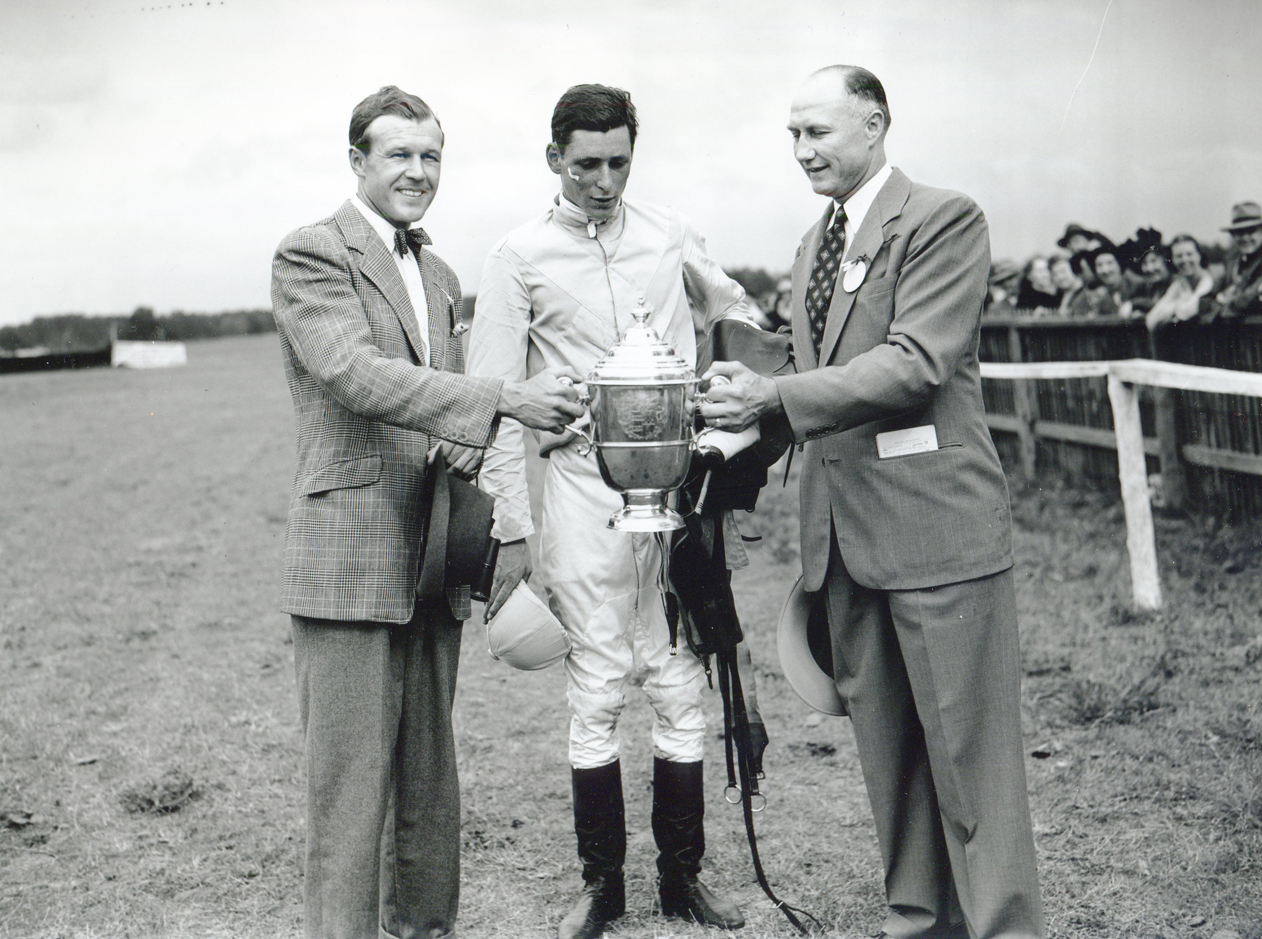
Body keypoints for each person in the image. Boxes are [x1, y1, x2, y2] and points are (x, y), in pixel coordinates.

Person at [702, 65, 1043, 939]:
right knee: (890, 763)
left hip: (935, 532)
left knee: (971, 765)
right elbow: (812, 380)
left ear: (874, 123)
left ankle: (1002, 926)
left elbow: (914, 362)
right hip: (843, 543)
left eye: (817, 131)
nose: (802, 149)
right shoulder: (815, 242)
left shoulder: (940, 218)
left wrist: (772, 399)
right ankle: (918, 922)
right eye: (791, 135)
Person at [271, 85, 583, 939]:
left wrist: (502, 511)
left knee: (428, 788)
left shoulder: (440, 273)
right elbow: (355, 375)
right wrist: (505, 399)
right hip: (349, 561)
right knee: (348, 800)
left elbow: (445, 419)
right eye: (398, 154)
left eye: (430, 155)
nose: (417, 171)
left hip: (434, 559)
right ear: (357, 162)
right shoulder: (311, 254)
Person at [467, 84, 750, 939]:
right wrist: (512, 527)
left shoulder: (668, 234)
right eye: (585, 164)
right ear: (554, 159)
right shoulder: (516, 256)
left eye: (618, 162)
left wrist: (722, 420)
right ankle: (601, 888)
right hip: (583, 496)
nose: (603, 181)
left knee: (676, 682)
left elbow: (739, 317)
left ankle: (682, 879)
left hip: (674, 497)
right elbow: (492, 398)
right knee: (594, 689)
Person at [1146, 235, 1217, 329]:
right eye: (1179, 256)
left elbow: (1191, 309)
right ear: (1173, 260)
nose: (1184, 260)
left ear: (1199, 255)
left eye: (1189, 254)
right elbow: (1151, 320)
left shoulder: (1212, 280)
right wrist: (1177, 308)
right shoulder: (1179, 284)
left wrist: (1173, 309)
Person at [1206, 201, 1262, 318]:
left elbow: (1246, 301)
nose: (1244, 238)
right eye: (1239, 232)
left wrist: (1225, 300)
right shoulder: (1232, 263)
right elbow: (1208, 300)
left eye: (1251, 231)